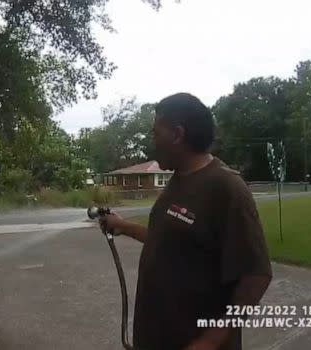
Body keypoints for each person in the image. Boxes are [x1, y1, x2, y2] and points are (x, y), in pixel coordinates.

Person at [100, 93, 272, 350]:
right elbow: (170, 241)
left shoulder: (226, 188)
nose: (152, 142)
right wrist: (122, 226)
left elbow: (256, 274)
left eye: (156, 133)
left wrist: (210, 341)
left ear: (177, 134)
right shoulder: (179, 179)